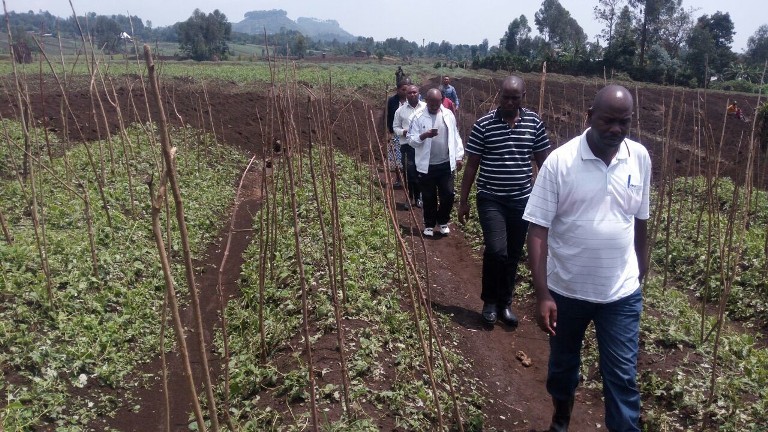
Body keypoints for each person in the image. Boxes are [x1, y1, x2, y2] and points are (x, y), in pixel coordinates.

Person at [523, 84, 651, 432]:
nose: (617, 130)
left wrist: (641, 267)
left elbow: (639, 220)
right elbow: (538, 231)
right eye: (609, 121)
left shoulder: (639, 157)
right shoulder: (560, 162)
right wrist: (543, 294)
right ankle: (562, 416)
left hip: (620, 293)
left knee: (622, 375)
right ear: (589, 117)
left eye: (624, 122)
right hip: (567, 291)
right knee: (564, 366)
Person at [458, 75, 550, 326]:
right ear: (499, 96)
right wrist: (463, 200)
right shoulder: (484, 125)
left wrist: (551, 201)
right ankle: (489, 301)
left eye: (515, 97)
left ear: (523, 96)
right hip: (491, 199)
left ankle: (505, 303)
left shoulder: (534, 124)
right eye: (505, 97)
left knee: (512, 253)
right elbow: (471, 166)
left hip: (522, 200)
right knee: (497, 251)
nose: (509, 102)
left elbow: (545, 165)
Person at [408, 88, 464, 237]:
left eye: (437, 102)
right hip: (427, 166)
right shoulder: (418, 116)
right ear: (426, 100)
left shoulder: (448, 114)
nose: (433, 105)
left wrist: (459, 156)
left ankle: (443, 220)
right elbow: (411, 140)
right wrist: (424, 135)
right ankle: (429, 224)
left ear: (441, 101)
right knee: (428, 196)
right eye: (431, 102)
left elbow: (455, 136)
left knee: (448, 194)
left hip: (445, 163)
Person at [393, 84, 426, 209]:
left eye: (414, 92)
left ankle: (419, 197)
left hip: (423, 146)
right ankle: (409, 197)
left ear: (418, 93)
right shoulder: (400, 111)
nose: (412, 94)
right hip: (407, 145)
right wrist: (403, 132)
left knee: (420, 172)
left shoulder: (425, 107)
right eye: (409, 93)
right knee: (409, 173)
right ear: (406, 95)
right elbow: (395, 127)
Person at [387, 77, 412, 184]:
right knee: (396, 156)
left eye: (407, 89)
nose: (405, 92)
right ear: (398, 90)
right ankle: (398, 179)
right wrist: (390, 131)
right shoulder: (392, 101)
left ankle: (409, 179)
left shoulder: (412, 100)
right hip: (396, 133)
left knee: (408, 158)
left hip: (409, 134)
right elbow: (389, 117)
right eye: (403, 89)